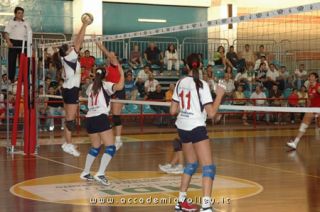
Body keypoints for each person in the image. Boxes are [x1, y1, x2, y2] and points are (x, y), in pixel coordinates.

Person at [170, 53, 225, 212]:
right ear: (200, 65)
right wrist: (220, 95)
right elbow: (212, 113)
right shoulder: (202, 84)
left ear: (186, 66)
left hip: (182, 127)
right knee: (208, 167)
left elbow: (173, 110)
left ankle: (180, 202)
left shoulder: (180, 83)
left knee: (191, 164)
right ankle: (206, 206)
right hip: (195, 127)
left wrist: (187, 107)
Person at [52, 19, 91, 156]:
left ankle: (67, 142)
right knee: (70, 120)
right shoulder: (70, 58)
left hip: (68, 90)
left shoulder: (64, 58)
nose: (72, 47)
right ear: (67, 51)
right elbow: (78, 40)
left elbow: (76, 42)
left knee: (68, 118)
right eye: (69, 47)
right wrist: (84, 25)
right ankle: (68, 145)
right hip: (71, 90)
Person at [80, 67, 124, 185]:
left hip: (89, 118)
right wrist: (121, 72)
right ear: (105, 75)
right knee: (111, 147)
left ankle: (85, 172)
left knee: (96, 147)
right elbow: (120, 87)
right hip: (100, 117)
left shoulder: (90, 87)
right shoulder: (106, 85)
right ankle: (100, 173)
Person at [94, 38, 124, 150]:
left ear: (115, 57)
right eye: (109, 55)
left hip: (118, 90)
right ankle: (106, 137)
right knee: (108, 114)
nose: (110, 55)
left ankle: (118, 140)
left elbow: (107, 53)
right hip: (110, 91)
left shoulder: (115, 63)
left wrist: (97, 43)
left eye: (112, 54)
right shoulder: (107, 68)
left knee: (116, 116)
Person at [287, 72, 320, 150]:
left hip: (319, 109)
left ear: (316, 78)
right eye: (309, 76)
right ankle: (295, 143)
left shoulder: (318, 86)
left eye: (312, 76)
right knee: (303, 125)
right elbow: (309, 99)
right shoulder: (309, 87)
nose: (310, 78)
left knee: (319, 126)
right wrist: (307, 107)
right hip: (312, 109)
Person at [3, 6, 32, 83]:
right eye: (19, 13)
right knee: (12, 61)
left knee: (24, 62)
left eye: (22, 13)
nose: (21, 15)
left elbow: (30, 34)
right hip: (13, 43)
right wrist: (9, 42)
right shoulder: (11, 22)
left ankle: (23, 79)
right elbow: (6, 33)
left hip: (24, 43)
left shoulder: (26, 23)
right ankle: (11, 79)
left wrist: (30, 46)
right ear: (15, 14)